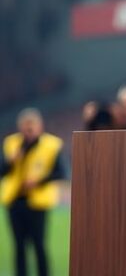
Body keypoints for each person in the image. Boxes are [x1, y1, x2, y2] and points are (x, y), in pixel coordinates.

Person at [1, 108, 67, 276]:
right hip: (15, 200)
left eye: (31, 127)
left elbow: (60, 172)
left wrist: (39, 181)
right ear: (19, 127)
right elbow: (2, 171)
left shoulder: (52, 145)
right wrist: (11, 161)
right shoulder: (12, 143)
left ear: (40, 126)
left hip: (38, 201)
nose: (28, 131)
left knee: (39, 244)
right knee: (19, 245)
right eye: (25, 127)